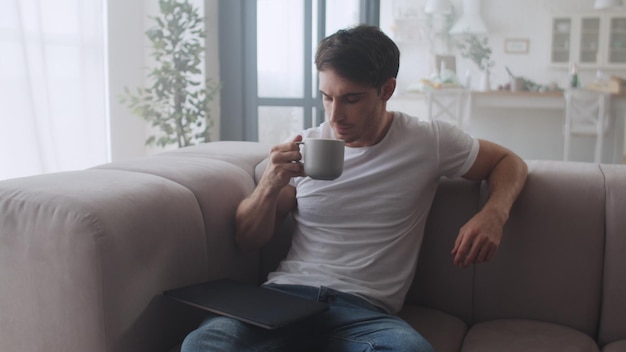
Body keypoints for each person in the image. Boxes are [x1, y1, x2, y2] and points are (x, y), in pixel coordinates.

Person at [182, 24, 528, 352]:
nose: (334, 116)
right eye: (327, 98)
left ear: (386, 90)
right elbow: (247, 239)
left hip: (364, 313)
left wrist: (494, 213)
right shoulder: (305, 145)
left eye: (350, 99)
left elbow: (508, 161)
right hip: (283, 298)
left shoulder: (428, 141)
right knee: (204, 343)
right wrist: (270, 184)